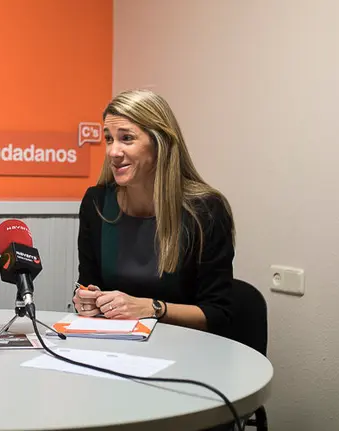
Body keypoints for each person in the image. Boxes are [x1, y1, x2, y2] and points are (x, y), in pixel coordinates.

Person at [73, 89, 236, 337]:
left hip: (185, 348)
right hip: (114, 347)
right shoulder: (96, 203)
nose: (113, 152)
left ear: (160, 143)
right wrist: (87, 300)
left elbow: (219, 315)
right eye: (109, 139)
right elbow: (88, 284)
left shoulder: (206, 210)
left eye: (127, 138)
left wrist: (152, 308)